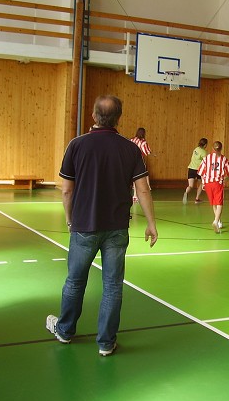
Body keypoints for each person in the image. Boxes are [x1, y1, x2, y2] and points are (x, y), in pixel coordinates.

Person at [47, 95, 158, 357]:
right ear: (119, 118)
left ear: (94, 116)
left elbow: (67, 191)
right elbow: (143, 189)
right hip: (117, 228)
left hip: (84, 226)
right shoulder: (131, 149)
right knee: (113, 286)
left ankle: (65, 331)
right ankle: (106, 342)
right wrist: (151, 223)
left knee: (75, 281)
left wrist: (70, 217)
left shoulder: (76, 145)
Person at [198, 141, 229, 233]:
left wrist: (203, 182)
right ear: (221, 149)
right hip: (217, 183)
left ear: (212, 148)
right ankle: (216, 221)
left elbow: (201, 172)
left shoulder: (206, 158)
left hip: (208, 183)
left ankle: (218, 221)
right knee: (219, 203)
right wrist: (225, 180)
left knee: (214, 203)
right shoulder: (224, 159)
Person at [183, 137, 208, 204]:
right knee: (200, 184)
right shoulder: (204, 152)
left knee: (190, 186)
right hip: (199, 170)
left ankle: (186, 192)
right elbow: (206, 162)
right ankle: (197, 199)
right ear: (205, 145)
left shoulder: (196, 149)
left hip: (191, 169)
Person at [130, 127, 152, 202]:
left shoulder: (132, 140)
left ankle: (135, 196)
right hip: (139, 161)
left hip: (130, 161)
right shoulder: (143, 142)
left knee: (134, 178)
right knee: (141, 176)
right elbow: (147, 152)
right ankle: (147, 188)